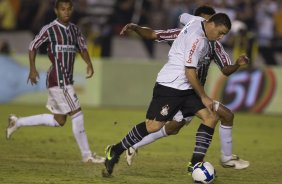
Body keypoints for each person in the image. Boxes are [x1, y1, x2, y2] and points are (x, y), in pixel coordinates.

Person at [120, 6, 250, 171]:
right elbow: (153, 34)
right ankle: (220, 160)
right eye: (205, 20)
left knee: (176, 126)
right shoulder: (182, 33)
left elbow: (225, 69)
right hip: (179, 88)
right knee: (216, 116)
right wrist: (136, 28)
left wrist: (237, 65)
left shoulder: (215, 45)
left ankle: (134, 145)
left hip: (194, 91)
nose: (209, 26)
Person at [6, 0, 105, 164]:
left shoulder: (74, 29)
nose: (66, 12)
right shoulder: (49, 29)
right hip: (58, 79)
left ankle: (18, 122)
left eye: (68, 9)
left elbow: (82, 47)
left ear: (72, 10)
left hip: (66, 79)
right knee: (77, 113)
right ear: (56, 11)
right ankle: (87, 155)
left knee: (59, 120)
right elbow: (32, 46)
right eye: (62, 9)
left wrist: (89, 63)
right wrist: (32, 69)